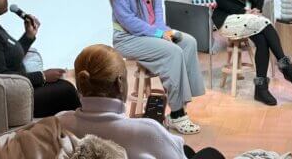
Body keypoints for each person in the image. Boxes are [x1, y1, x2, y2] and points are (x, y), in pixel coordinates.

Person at [108, 0, 205, 135]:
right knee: (173, 52)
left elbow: (158, 5)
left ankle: (182, 103)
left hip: (150, 32)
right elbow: (126, 19)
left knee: (188, 42)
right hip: (128, 38)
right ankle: (178, 114)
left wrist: (162, 29)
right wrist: (158, 33)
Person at [58, 45, 225, 159]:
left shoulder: (59, 122)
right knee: (210, 153)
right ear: (119, 83)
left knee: (187, 150)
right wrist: (158, 131)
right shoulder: (147, 131)